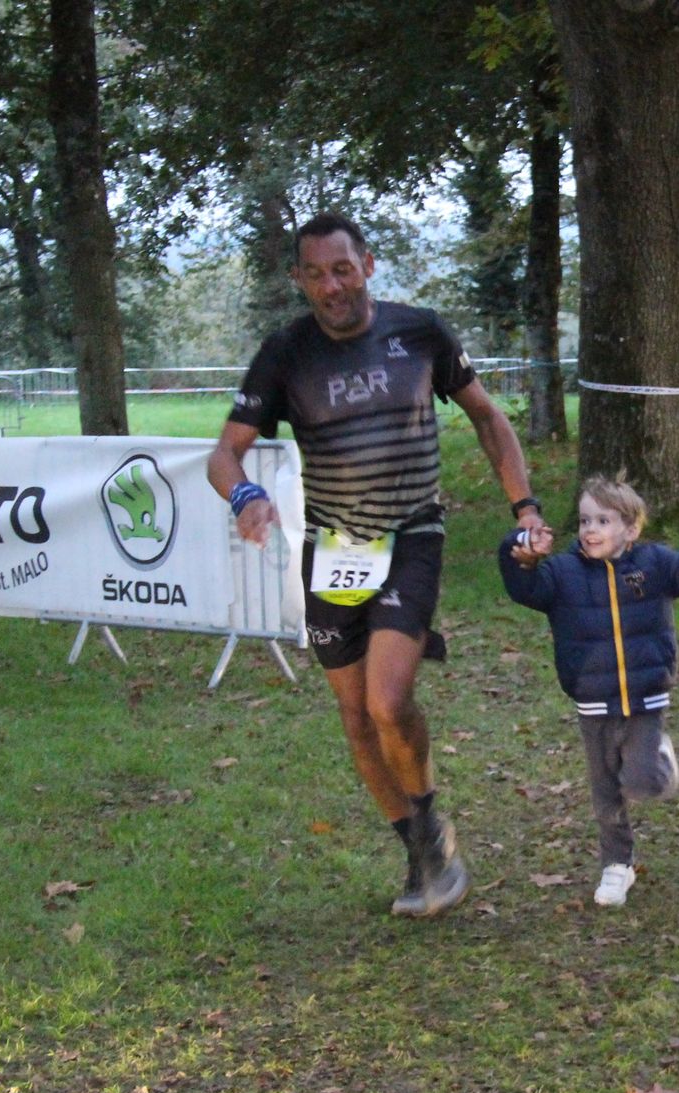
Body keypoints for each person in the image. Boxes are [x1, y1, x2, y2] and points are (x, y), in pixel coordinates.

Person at [206, 212, 550, 919]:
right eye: (315, 275)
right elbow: (225, 453)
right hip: (333, 549)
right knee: (356, 717)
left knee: (387, 701)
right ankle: (420, 848)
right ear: (299, 280)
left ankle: (429, 825)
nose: (331, 286)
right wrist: (244, 495)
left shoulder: (419, 333)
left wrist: (524, 507)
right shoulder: (285, 352)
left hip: (411, 534)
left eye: (342, 269)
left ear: (367, 264)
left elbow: (487, 418)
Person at [498, 477, 679, 907]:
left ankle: (660, 764)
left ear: (632, 529)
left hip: (645, 696)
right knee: (605, 791)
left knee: (640, 782)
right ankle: (617, 865)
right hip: (592, 699)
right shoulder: (561, 574)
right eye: (585, 520)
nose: (591, 529)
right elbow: (522, 586)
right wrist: (521, 550)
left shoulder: (654, 564)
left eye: (603, 521)